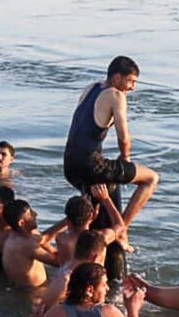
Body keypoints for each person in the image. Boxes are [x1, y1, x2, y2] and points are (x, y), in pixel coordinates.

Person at [63, 56, 159, 230]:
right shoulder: (116, 95)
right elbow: (123, 138)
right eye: (130, 81)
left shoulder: (91, 88)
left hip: (70, 166)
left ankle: (90, 236)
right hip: (91, 165)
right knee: (150, 178)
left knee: (96, 208)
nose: (132, 87)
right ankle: (121, 229)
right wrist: (125, 159)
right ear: (116, 78)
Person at [26, 263, 145, 317]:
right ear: (89, 290)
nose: (107, 289)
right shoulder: (112, 313)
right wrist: (132, 310)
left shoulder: (54, 315)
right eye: (104, 285)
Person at [55, 184, 125, 266]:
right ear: (92, 215)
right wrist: (106, 199)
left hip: (70, 277)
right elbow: (120, 226)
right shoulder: (100, 237)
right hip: (93, 277)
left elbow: (47, 237)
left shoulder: (61, 238)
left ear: (68, 218)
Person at [0, 199, 64, 288]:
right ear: (21, 223)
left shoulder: (17, 235)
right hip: (35, 295)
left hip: (28, 289)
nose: (36, 214)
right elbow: (60, 263)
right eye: (31, 214)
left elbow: (45, 239)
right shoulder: (25, 244)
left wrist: (67, 221)